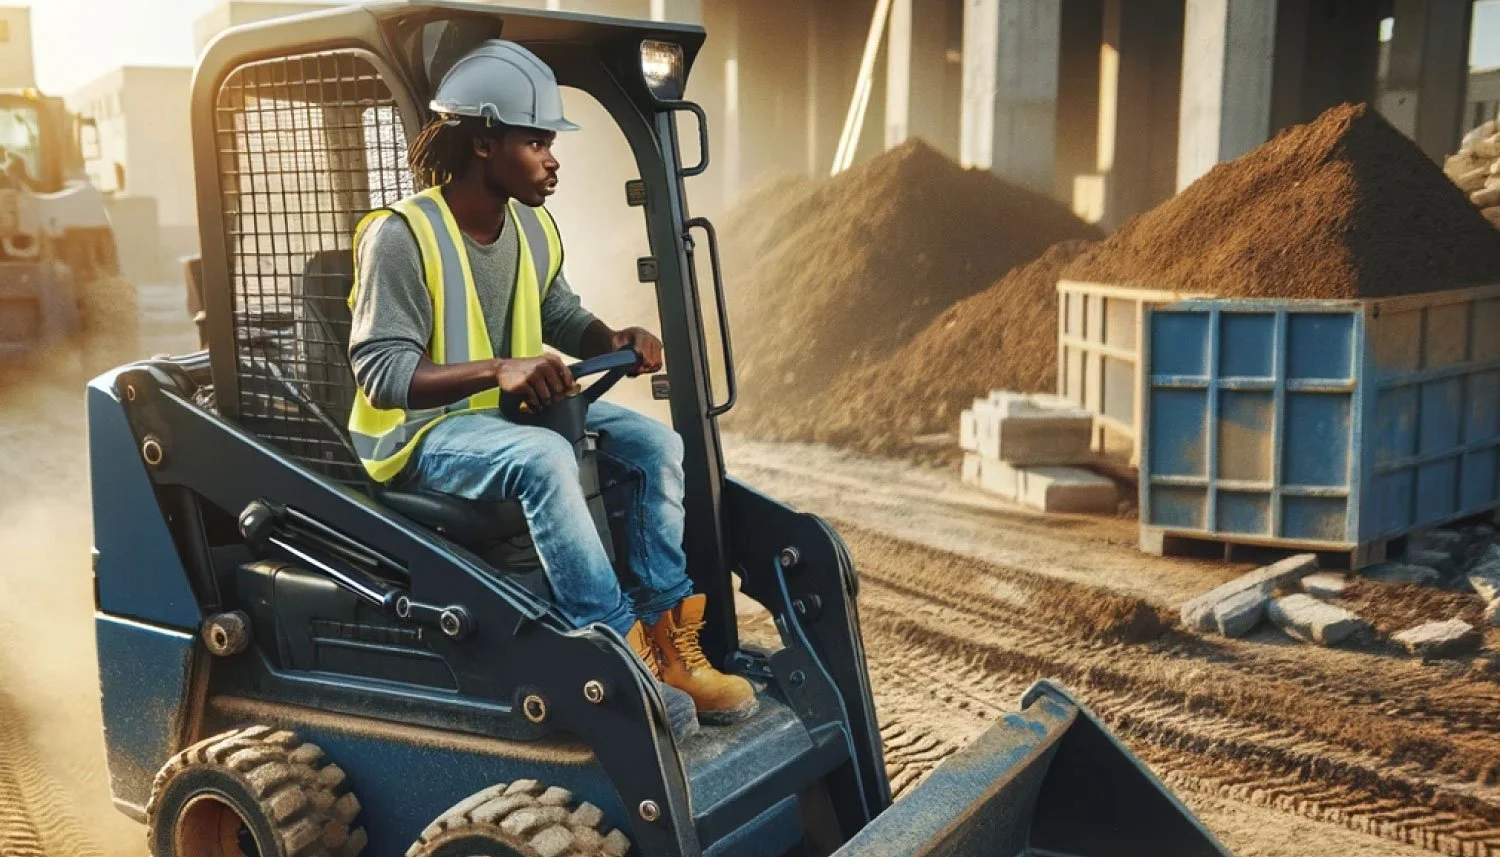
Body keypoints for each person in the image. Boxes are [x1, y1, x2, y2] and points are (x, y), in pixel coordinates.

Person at [345, 40, 756, 734]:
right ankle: (613, 654)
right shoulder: (402, 237)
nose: (552, 159)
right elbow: (382, 374)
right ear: (484, 142)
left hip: (507, 417)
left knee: (656, 445)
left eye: (550, 144)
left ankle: (669, 643)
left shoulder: (532, 226)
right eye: (536, 143)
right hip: (422, 436)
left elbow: (557, 310)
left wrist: (611, 337)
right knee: (547, 459)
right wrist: (498, 369)